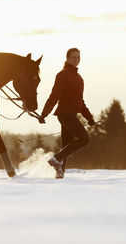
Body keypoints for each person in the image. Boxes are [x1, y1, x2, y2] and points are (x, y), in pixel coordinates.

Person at [38, 48, 95, 178]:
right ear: (67, 58)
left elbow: (80, 102)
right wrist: (44, 114)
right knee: (84, 139)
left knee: (67, 146)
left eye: (78, 57)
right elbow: (54, 97)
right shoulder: (63, 75)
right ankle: (56, 159)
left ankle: (60, 172)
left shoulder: (79, 78)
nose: (76, 60)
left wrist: (89, 118)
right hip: (65, 114)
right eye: (74, 57)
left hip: (72, 115)